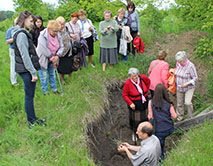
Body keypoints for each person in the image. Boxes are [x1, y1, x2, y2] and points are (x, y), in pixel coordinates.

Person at [12, 10, 45, 127]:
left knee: (29, 96)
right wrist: (33, 72)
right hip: (26, 70)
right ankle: (32, 122)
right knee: (29, 96)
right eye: (31, 21)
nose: (33, 23)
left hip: (25, 69)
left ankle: (33, 119)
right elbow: (25, 56)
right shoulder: (21, 35)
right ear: (23, 20)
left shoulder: (21, 33)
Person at [148, 83, 177, 159]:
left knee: (160, 147)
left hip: (158, 130)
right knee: (164, 139)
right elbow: (174, 116)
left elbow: (150, 116)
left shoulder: (151, 103)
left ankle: (161, 160)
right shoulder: (168, 103)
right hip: (169, 128)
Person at [36, 20, 64, 95]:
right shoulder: (42, 35)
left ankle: (54, 89)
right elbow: (43, 49)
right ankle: (45, 92)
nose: (56, 33)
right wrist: (52, 57)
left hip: (53, 58)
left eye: (57, 31)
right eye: (54, 31)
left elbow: (62, 47)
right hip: (43, 59)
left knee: (52, 74)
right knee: (44, 76)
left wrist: (57, 56)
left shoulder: (58, 35)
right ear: (49, 29)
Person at [123, 68, 150, 141]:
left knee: (144, 118)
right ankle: (134, 133)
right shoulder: (127, 83)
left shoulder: (143, 78)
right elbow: (125, 95)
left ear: (138, 74)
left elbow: (148, 82)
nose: (135, 78)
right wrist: (130, 103)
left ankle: (144, 133)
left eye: (136, 76)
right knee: (135, 120)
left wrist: (145, 92)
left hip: (143, 102)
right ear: (130, 76)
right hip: (134, 104)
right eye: (133, 77)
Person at [175, 51, 198, 121]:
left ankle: (190, 118)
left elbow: (195, 78)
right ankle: (180, 118)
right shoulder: (178, 64)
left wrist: (187, 83)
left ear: (184, 60)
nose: (179, 62)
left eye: (180, 61)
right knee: (179, 103)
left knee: (187, 103)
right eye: (178, 61)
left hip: (188, 87)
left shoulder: (190, 66)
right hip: (179, 87)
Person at [56, 16, 73, 85]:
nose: (62, 25)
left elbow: (68, 35)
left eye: (63, 23)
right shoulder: (56, 31)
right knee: (61, 67)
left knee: (69, 65)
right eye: (61, 24)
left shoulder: (66, 28)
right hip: (61, 52)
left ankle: (71, 79)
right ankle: (63, 80)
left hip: (69, 50)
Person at [5, 18, 19, 86]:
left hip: (20, 49)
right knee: (13, 65)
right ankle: (14, 82)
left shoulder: (22, 30)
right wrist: (15, 38)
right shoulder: (10, 30)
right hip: (13, 49)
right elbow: (7, 41)